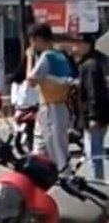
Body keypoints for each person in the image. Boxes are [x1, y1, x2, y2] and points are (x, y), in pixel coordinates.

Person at [27, 23, 76, 173]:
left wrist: (29, 58)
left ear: (39, 39)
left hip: (51, 108)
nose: (33, 45)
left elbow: (31, 81)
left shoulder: (46, 56)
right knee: (41, 149)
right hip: (60, 107)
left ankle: (65, 181)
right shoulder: (60, 56)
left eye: (33, 41)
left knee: (57, 152)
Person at [75, 33, 109, 180]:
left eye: (77, 44)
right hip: (98, 115)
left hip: (95, 116)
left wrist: (93, 117)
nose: (74, 47)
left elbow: (93, 92)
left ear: (86, 45)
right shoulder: (95, 62)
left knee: (94, 154)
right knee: (94, 153)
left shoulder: (90, 65)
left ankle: (98, 184)